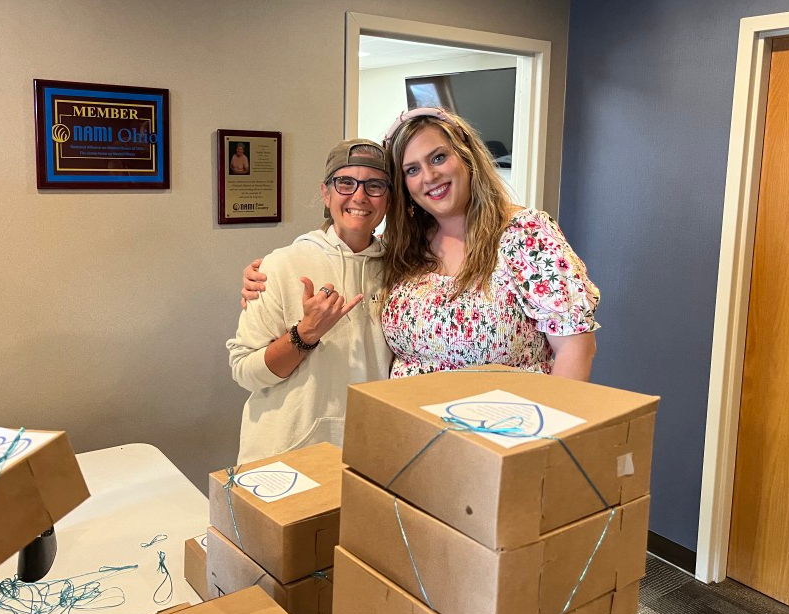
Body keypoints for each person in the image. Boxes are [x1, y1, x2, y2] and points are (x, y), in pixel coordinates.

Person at [242, 108, 599, 381]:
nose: (429, 176)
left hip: (502, 443)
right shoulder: (401, 248)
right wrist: (266, 277)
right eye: (411, 170)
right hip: (410, 443)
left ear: (468, 158)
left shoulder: (524, 235)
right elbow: (346, 258)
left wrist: (547, 439)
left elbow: (576, 348)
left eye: (438, 158)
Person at [227, 139, 394, 463]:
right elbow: (244, 371)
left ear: (388, 198)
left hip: (370, 457)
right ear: (326, 192)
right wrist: (303, 335)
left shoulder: (402, 271)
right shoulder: (281, 265)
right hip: (285, 456)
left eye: (374, 185)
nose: (359, 196)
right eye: (346, 182)